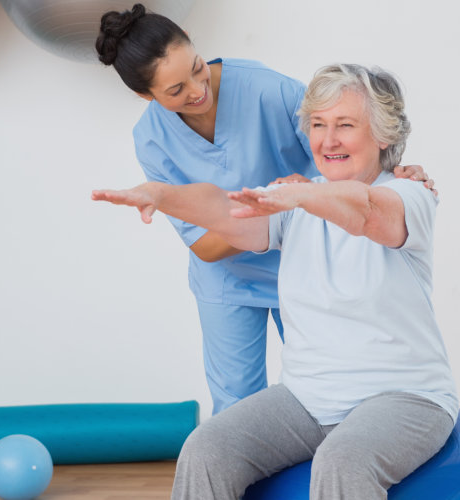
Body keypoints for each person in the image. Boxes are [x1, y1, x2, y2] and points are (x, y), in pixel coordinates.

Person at [92, 63, 455, 500]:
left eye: (345, 125)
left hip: (404, 398)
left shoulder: (409, 196)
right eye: (318, 125)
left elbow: (366, 212)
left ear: (382, 135)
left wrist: (299, 195)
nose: (327, 139)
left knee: (343, 461)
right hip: (306, 400)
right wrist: (162, 194)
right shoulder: (296, 199)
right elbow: (224, 211)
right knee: (207, 447)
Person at [94, 5, 434, 415]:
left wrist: (395, 172)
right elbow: (203, 244)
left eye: (197, 68)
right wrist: (268, 214)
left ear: (191, 38)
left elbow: (345, 147)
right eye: (175, 91)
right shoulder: (151, 139)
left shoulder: (268, 90)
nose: (197, 90)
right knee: (237, 408)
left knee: (333, 398)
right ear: (143, 95)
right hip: (228, 281)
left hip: (312, 263)